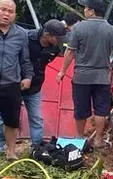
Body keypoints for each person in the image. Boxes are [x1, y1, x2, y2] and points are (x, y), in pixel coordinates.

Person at [56, 0, 113, 149]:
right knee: (101, 110)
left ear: (92, 11)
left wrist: (62, 71)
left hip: (81, 77)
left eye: (86, 8)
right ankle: (98, 140)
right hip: (102, 78)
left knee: (81, 108)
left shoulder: (79, 28)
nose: (84, 10)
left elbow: (69, 52)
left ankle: (79, 138)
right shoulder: (112, 31)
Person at [0, 19, 66, 151]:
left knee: (36, 118)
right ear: (47, 34)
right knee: (5, 117)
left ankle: (38, 148)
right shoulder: (26, 37)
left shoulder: (56, 48)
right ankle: (2, 146)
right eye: (57, 37)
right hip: (15, 84)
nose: (60, 41)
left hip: (35, 86)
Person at [0, 0, 34, 160]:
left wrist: (28, 77)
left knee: (12, 120)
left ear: (15, 15)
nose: (6, 14)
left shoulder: (21, 34)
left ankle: (11, 152)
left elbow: (25, 60)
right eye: (3, 10)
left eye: (10, 11)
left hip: (11, 84)